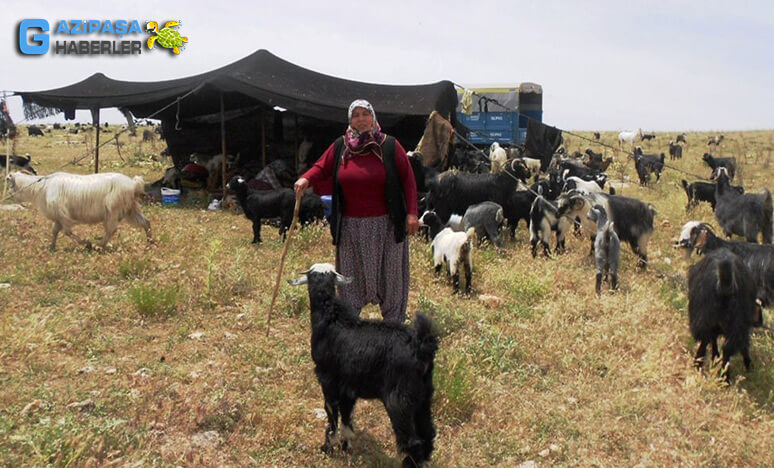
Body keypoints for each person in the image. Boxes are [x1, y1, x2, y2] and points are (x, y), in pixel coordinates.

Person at [294, 99, 418, 323]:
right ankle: (351, 328)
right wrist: (305, 178)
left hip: (387, 226)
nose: (361, 119)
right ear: (350, 120)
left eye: (365, 114)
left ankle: (393, 328)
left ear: (373, 117)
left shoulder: (389, 145)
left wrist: (412, 213)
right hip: (351, 226)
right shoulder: (341, 146)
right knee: (351, 280)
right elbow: (321, 166)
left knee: (390, 279)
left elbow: (408, 180)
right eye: (356, 115)